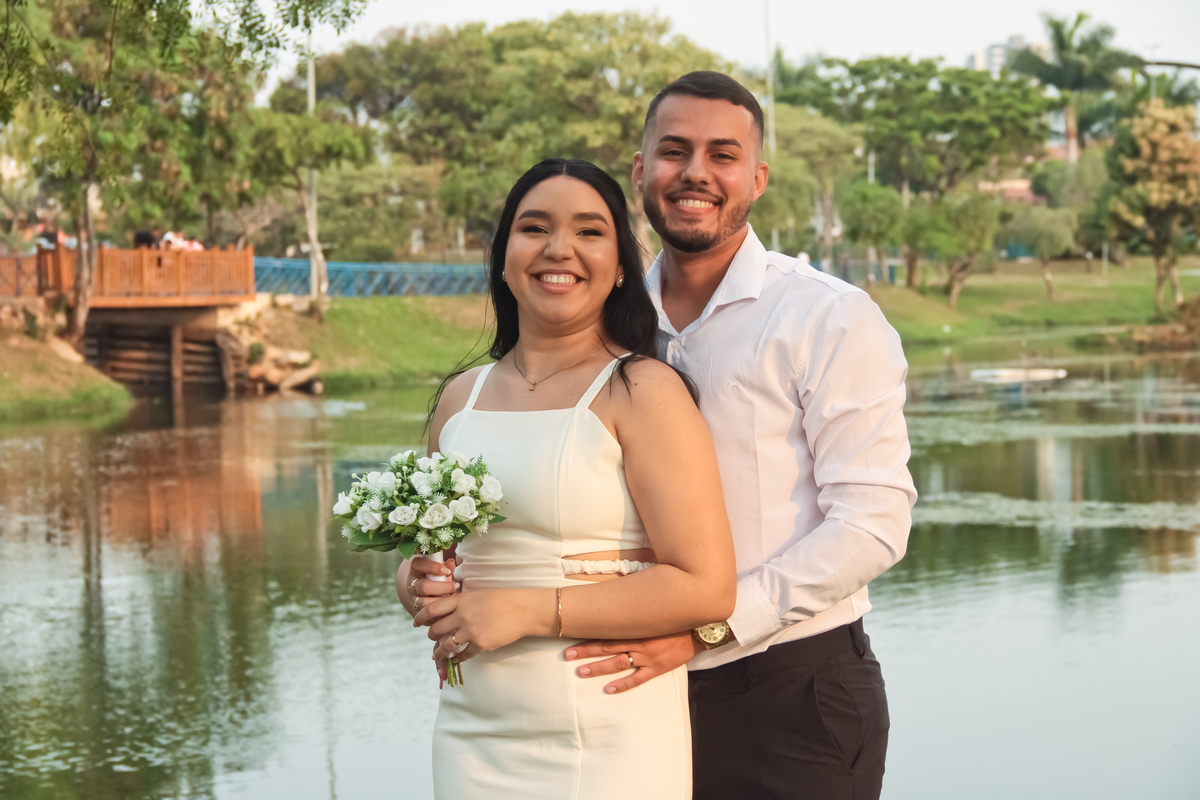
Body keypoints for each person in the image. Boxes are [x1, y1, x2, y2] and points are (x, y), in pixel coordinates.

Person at [561, 72, 917, 799]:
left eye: (723, 155)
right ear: (640, 172)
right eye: (674, 151)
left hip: (794, 693)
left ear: (756, 179)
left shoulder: (827, 317)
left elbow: (874, 525)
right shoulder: (600, 326)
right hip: (630, 696)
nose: (695, 172)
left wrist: (704, 632)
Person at [397, 158, 737, 799]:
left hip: (605, 731)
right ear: (503, 257)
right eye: (534, 228)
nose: (559, 249)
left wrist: (531, 608)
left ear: (618, 268)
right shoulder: (459, 399)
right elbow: (436, 564)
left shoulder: (643, 391)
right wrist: (418, 582)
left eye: (589, 232)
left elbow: (707, 587)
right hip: (472, 736)